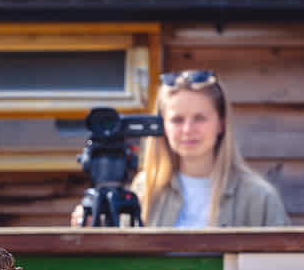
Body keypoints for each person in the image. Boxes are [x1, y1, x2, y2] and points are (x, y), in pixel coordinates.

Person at [71, 70, 290, 228]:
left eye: (200, 118)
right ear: (162, 126)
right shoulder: (145, 188)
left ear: (221, 123)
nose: (188, 130)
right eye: (177, 119)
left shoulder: (259, 198)